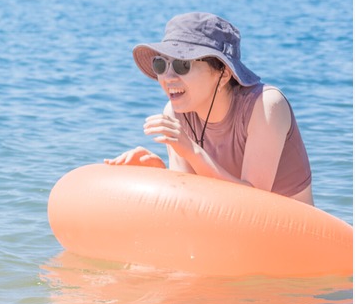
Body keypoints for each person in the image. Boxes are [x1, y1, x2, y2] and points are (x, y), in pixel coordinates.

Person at [106, 12, 313, 205]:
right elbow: (188, 200)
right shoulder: (176, 113)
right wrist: (158, 172)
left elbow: (253, 203)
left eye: (182, 65)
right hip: (227, 225)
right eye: (160, 64)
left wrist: (192, 151)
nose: (167, 77)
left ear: (223, 75)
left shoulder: (265, 106)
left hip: (290, 229)